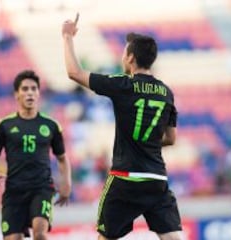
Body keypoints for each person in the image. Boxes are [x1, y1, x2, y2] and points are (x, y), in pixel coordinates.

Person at [62, 14, 183, 240]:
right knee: (172, 237)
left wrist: (67, 37)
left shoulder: (123, 85)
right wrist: (146, 143)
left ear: (130, 58)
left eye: (124, 51)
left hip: (125, 177)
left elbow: (74, 73)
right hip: (156, 178)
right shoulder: (166, 92)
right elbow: (171, 138)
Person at [0, 70, 72, 240]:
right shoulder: (5, 125)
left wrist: (66, 183)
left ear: (39, 93)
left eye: (33, 88)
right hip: (14, 191)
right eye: (25, 89)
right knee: (13, 238)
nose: (30, 92)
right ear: (16, 94)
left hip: (41, 188)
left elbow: (62, 158)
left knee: (40, 234)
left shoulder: (51, 125)